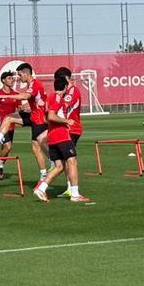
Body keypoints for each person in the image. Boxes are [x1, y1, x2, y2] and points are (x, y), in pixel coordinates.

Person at [33, 68, 92, 203]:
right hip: (64, 132)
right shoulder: (58, 97)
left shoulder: (56, 96)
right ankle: (74, 193)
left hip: (55, 133)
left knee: (59, 165)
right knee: (71, 161)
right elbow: (53, 114)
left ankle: (41, 188)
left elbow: (46, 117)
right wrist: (66, 121)